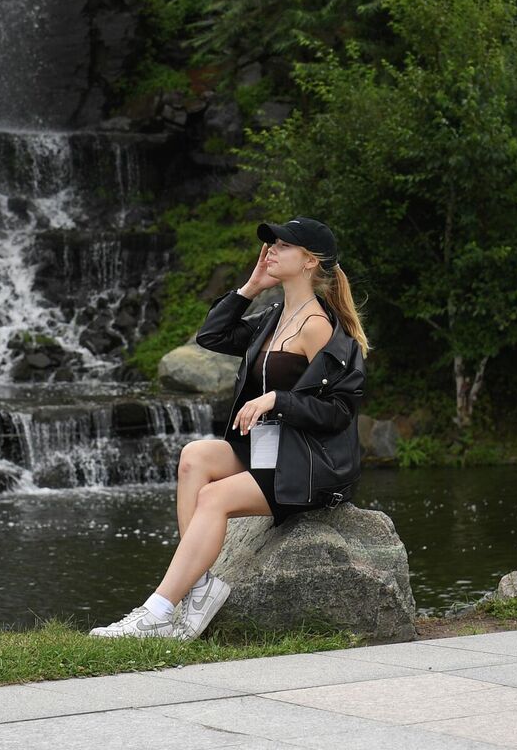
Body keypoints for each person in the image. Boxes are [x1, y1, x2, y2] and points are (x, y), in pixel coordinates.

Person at [88, 217, 368, 640]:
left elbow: (340, 412)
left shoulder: (317, 326)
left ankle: (158, 611)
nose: (270, 250)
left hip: (307, 465)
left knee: (214, 497)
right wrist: (250, 287)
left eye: (281, 246)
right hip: (269, 451)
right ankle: (198, 587)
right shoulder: (275, 316)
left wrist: (278, 399)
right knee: (194, 457)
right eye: (270, 244)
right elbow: (213, 335)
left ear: (309, 261)